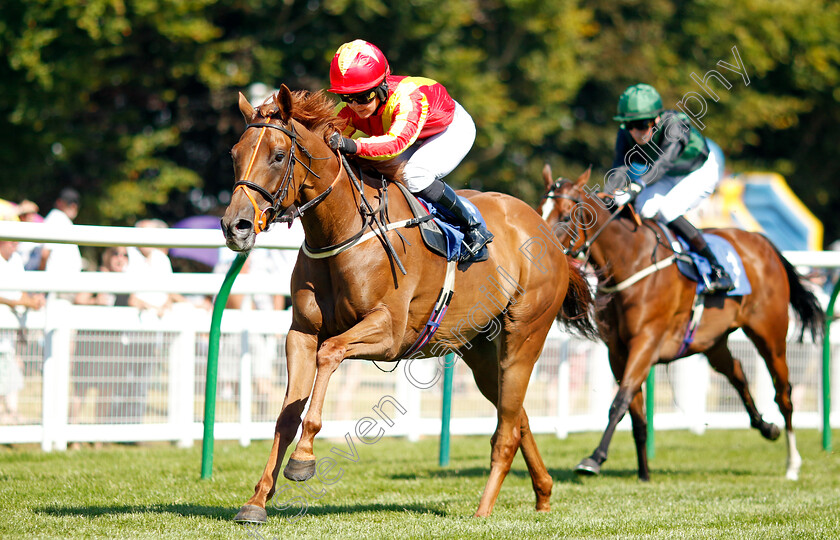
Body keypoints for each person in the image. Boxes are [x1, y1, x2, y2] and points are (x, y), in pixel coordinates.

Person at [325, 39, 493, 261]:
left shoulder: (408, 99)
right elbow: (323, 140)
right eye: (346, 97)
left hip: (449, 130)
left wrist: (350, 144)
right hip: (411, 135)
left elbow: (395, 144)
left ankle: (472, 226)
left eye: (364, 96)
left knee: (414, 175)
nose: (355, 105)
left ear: (382, 87)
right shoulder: (349, 109)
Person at [610, 83, 734, 293]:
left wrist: (636, 186)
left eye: (641, 124)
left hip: (701, 170)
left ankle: (718, 269)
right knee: (643, 210)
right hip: (669, 174)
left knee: (668, 210)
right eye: (628, 125)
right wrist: (608, 194)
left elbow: (663, 163)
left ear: (656, 119)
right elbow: (619, 167)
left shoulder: (675, 125)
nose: (635, 132)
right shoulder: (626, 134)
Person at [0, 208, 44, 424]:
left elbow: (21, 291)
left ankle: (10, 415)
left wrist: (32, 300)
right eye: (11, 239)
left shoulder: (15, 260)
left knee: (11, 373)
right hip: (4, 328)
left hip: (11, 330)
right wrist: (26, 301)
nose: (15, 243)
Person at [36, 188, 84, 277]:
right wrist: (41, 280)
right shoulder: (55, 218)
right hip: (58, 280)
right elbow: (45, 252)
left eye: (75, 204)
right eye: (70, 204)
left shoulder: (60, 219)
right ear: (59, 202)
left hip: (63, 281)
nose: (74, 207)